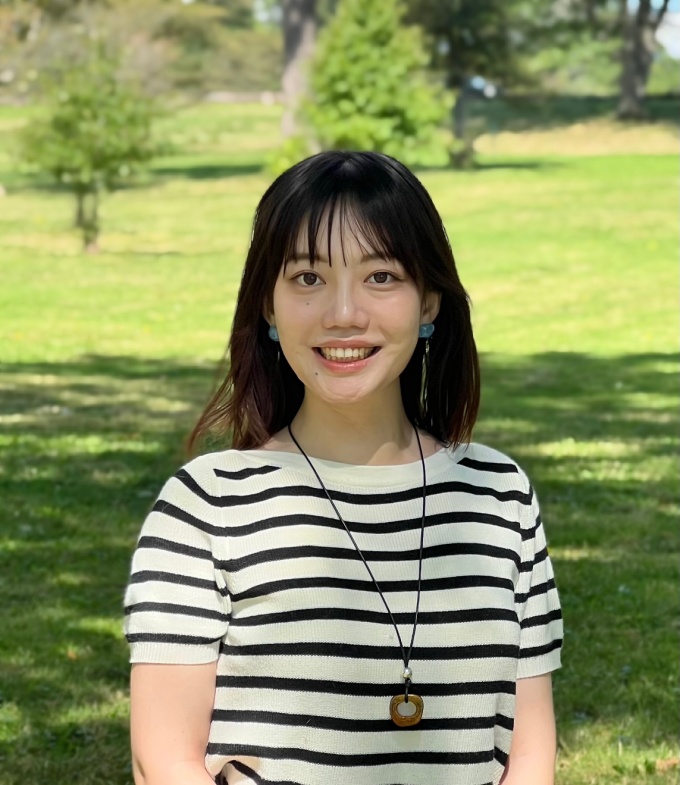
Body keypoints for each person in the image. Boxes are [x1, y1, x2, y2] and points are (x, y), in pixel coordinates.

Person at [123, 150, 563, 785]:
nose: (344, 314)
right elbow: (161, 762)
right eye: (308, 278)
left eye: (381, 276)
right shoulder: (204, 505)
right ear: (268, 307)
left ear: (430, 301)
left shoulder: (500, 496)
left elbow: (530, 752)